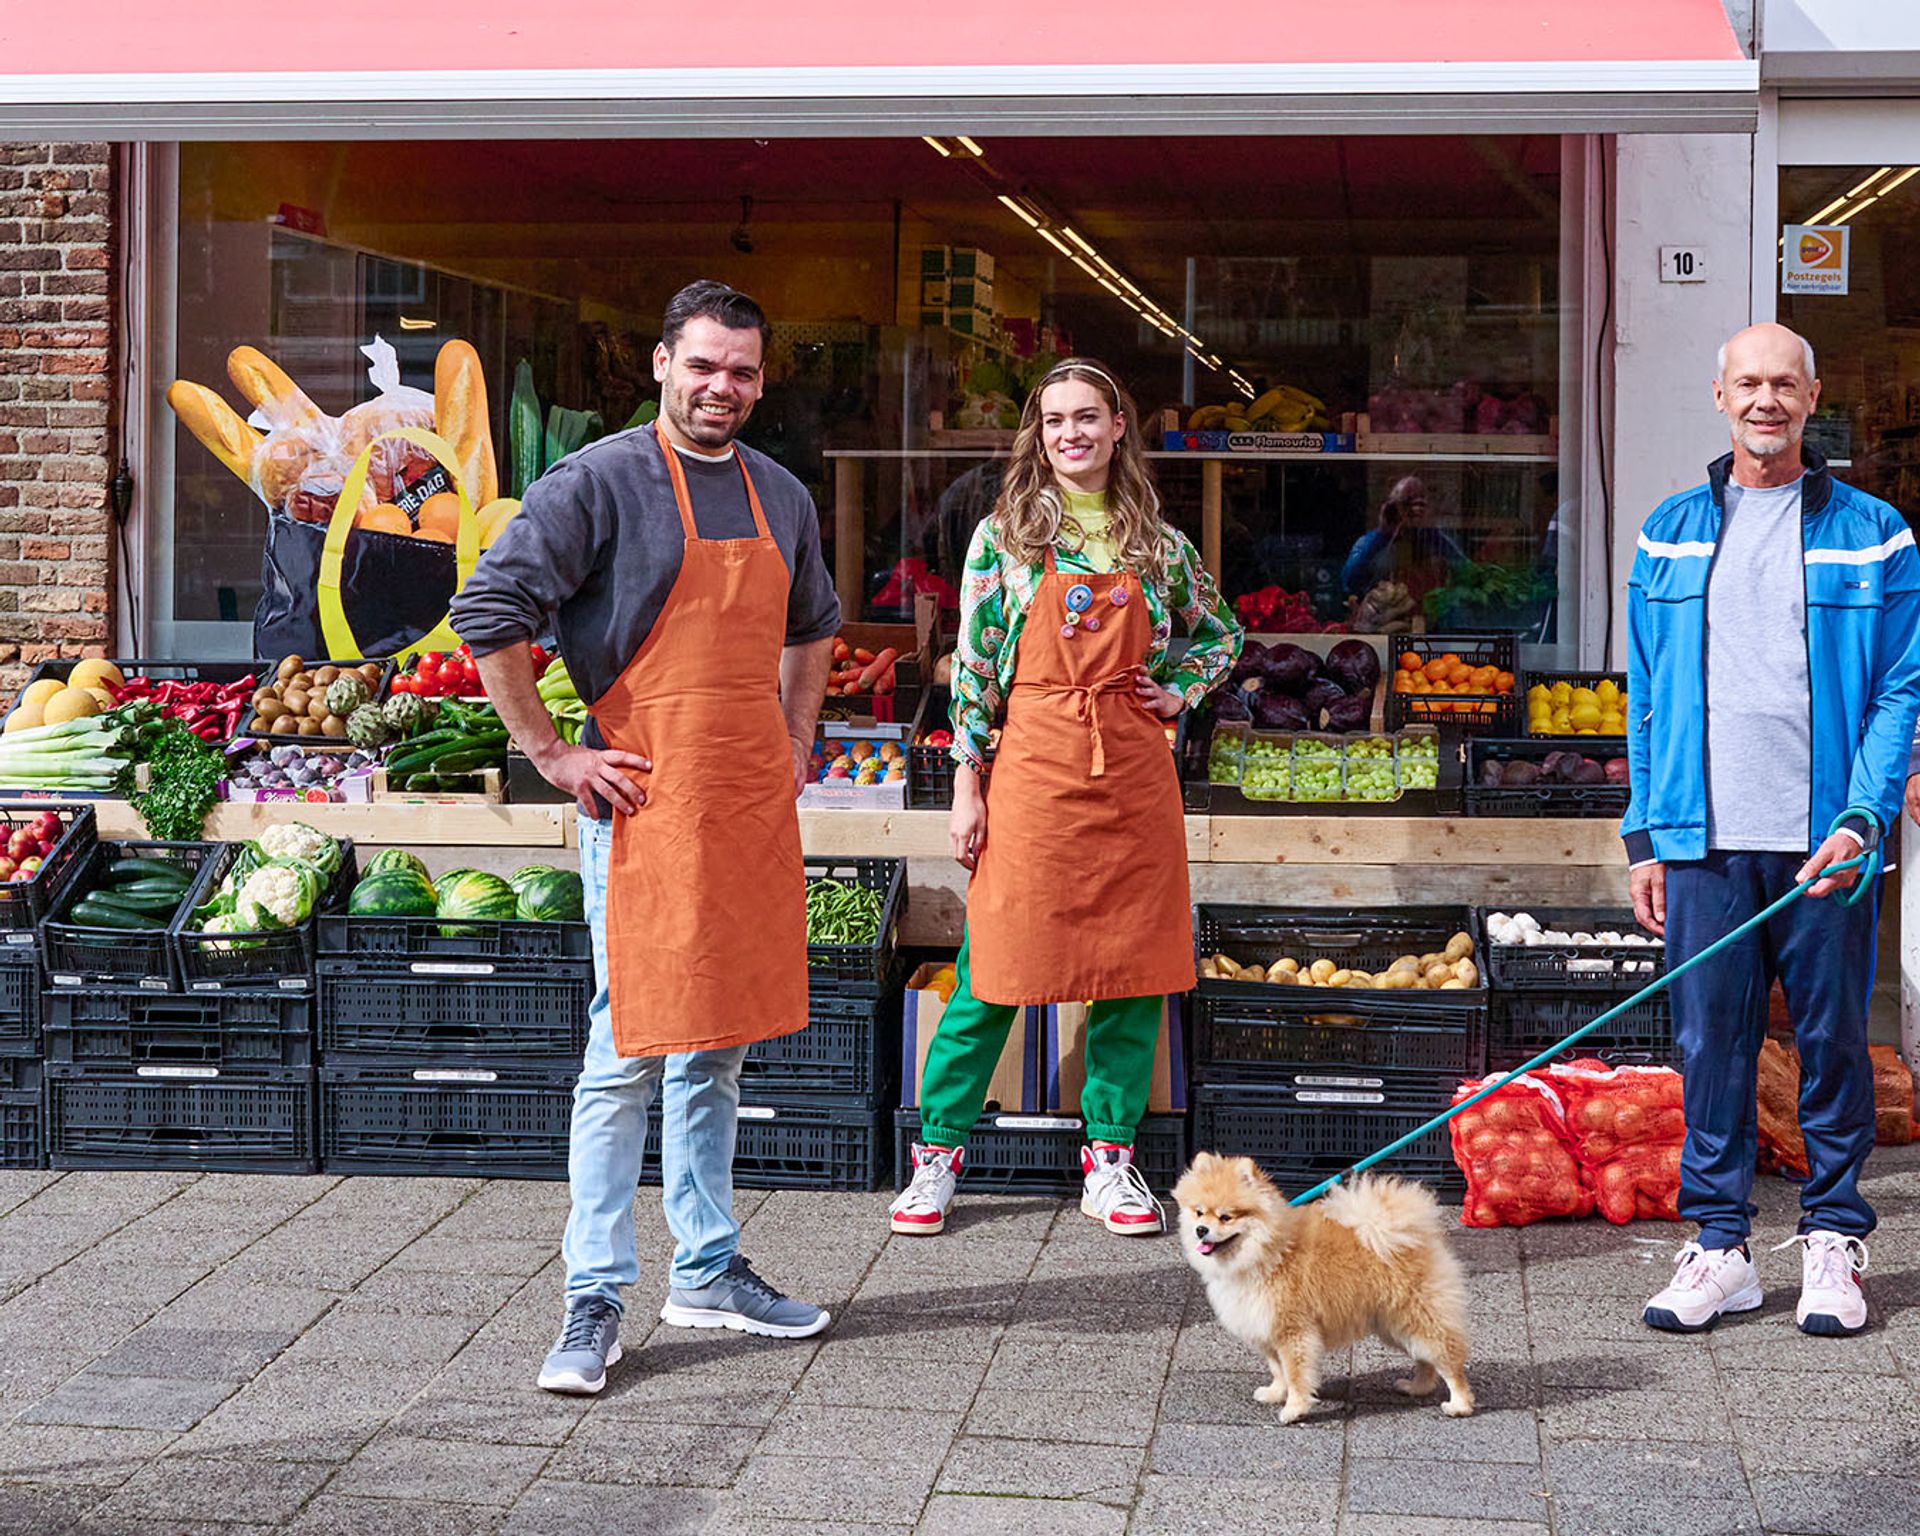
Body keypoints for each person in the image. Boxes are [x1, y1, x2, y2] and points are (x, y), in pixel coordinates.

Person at [452, 280, 841, 1395]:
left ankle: (709, 1269)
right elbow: (489, 614)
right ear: (663, 363)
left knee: (716, 1045)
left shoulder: (781, 494)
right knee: (626, 1049)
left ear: (762, 383)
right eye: (705, 364)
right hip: (640, 811)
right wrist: (555, 755)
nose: (723, 386)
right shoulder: (599, 482)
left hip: (742, 803)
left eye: (744, 372)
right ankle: (593, 1294)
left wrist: (797, 731)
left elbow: (812, 624)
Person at [889, 359, 1243, 1238]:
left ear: (1119, 426)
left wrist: (1181, 689)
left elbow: (1223, 633)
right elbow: (973, 670)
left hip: (1130, 769)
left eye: (1087, 417)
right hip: (1035, 770)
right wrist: (967, 787)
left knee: (1133, 973)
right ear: (1036, 435)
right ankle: (936, 1158)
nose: (1071, 435)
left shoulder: (1157, 541)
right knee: (993, 969)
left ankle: (1111, 1162)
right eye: (1054, 422)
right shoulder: (1007, 536)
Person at [1627, 322, 1920, 1338]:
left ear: (1812, 395)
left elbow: (1899, 690)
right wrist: (1644, 835)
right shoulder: (1667, 529)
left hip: (1824, 840)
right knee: (1711, 1042)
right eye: (1748, 382)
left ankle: (1834, 1240)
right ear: (1720, 396)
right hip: (1703, 836)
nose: (1765, 399)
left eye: (1783, 384)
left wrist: (1865, 815)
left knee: (1833, 1040)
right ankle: (1720, 1246)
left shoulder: (1875, 531)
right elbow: (1649, 698)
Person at [1339, 474, 1467, 599]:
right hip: (1383, 614)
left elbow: (1468, 574)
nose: (1413, 510)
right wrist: (1383, 534)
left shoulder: (1436, 541)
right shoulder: (1369, 542)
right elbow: (1349, 584)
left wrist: (1429, 528)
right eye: (1406, 504)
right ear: (1392, 507)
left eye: (1420, 503)